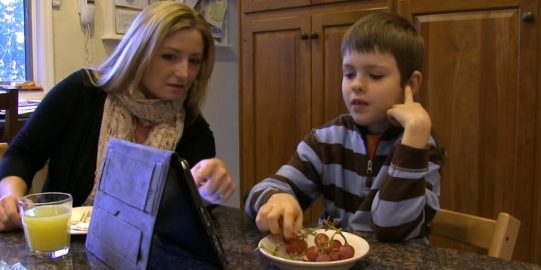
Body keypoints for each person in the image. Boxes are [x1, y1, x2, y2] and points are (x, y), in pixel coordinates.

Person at [0, 1, 235, 235]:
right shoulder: (80, 92)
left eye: (194, 61)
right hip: (61, 242)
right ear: (138, 52)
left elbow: (191, 210)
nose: (184, 73)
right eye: (169, 57)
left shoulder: (193, 128)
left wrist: (209, 190)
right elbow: (23, 154)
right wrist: (10, 196)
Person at [245, 12, 445, 243]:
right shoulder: (326, 139)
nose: (357, 85)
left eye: (375, 75)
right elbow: (258, 193)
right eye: (349, 74)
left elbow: (394, 229)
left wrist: (413, 140)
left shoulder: (422, 145)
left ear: (410, 84)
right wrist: (277, 198)